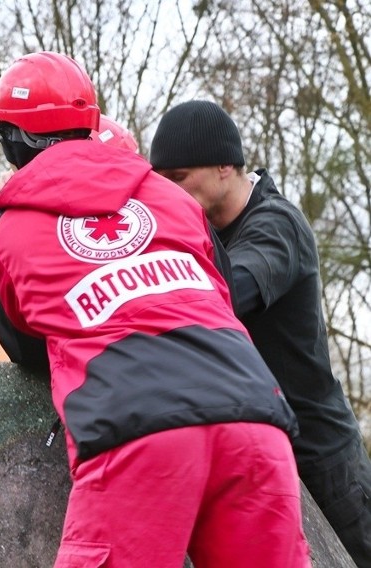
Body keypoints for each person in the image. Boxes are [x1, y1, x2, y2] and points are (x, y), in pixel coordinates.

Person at [0, 51, 310, 567]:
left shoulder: (12, 232)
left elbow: (25, 345)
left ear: (12, 139)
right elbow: (221, 291)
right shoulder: (172, 198)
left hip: (135, 431)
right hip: (253, 419)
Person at [150, 99, 371, 567]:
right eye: (161, 181)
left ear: (225, 165)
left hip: (324, 461)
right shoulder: (203, 230)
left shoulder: (276, 225)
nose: (168, 191)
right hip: (255, 455)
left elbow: (226, 295)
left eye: (179, 177)